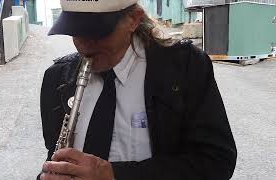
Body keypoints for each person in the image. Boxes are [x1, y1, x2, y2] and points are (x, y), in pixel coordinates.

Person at [38, 0, 237, 179]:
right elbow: (54, 159)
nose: (84, 44)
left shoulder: (185, 66)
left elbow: (216, 162)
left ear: (133, 19)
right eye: (76, 30)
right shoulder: (56, 78)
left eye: (98, 31)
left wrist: (113, 174)